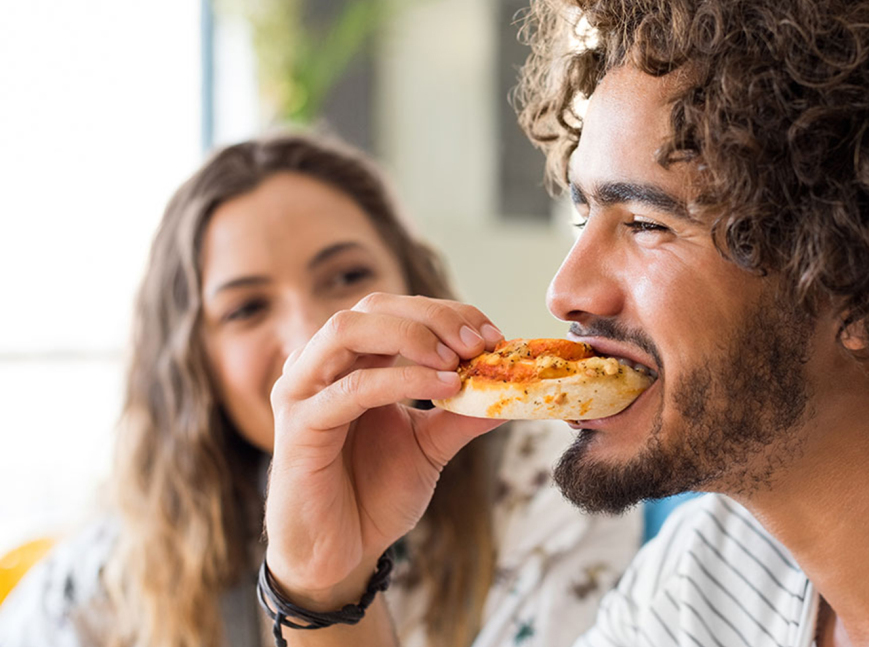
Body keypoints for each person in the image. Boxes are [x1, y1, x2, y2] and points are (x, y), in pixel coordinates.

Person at [256, 0, 869, 645]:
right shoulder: (723, 562)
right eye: (585, 214)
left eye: (647, 224)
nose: (567, 290)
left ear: (865, 270)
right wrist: (327, 585)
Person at [0, 133, 641, 647]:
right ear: (193, 365)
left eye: (346, 275)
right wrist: (311, 582)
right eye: (246, 308)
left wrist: (330, 597)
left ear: (413, 286)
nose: (313, 333)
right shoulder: (95, 589)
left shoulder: (563, 493)